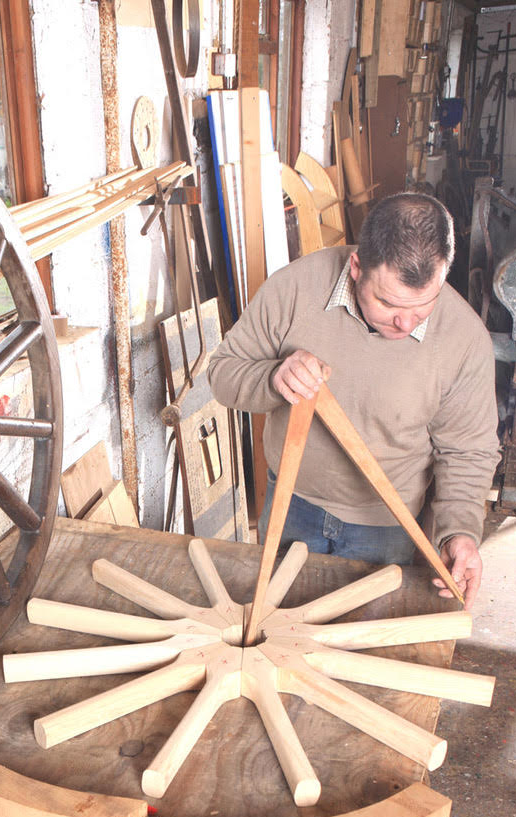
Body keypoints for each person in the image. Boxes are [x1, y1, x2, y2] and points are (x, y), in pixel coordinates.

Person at [207, 192, 500, 609]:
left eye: (423, 308)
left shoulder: (464, 339)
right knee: (276, 632)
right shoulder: (295, 288)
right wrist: (273, 377)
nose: (404, 323)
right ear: (357, 267)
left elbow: (468, 450)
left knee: (364, 648)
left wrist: (460, 533)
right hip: (293, 505)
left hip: (390, 525)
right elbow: (223, 375)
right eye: (388, 303)